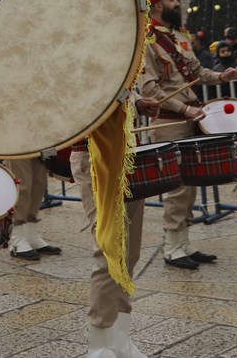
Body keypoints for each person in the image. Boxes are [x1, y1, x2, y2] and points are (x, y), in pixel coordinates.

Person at [137, 0, 237, 268]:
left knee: (190, 182)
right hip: (169, 120)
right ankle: (171, 248)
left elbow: (195, 73)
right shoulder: (146, 40)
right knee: (176, 185)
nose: (177, 4)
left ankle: (184, 243)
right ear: (158, 5)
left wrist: (220, 77)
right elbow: (149, 89)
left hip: (190, 116)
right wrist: (184, 108)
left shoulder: (180, 36)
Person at [71, 91, 160, 358]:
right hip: (94, 154)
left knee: (129, 252)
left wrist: (139, 102)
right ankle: (98, 344)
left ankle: (120, 339)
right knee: (109, 250)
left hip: (127, 152)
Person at [6, 155, 62, 260]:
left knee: (38, 184)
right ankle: (16, 239)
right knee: (22, 186)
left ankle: (31, 236)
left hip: (38, 142)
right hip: (16, 142)